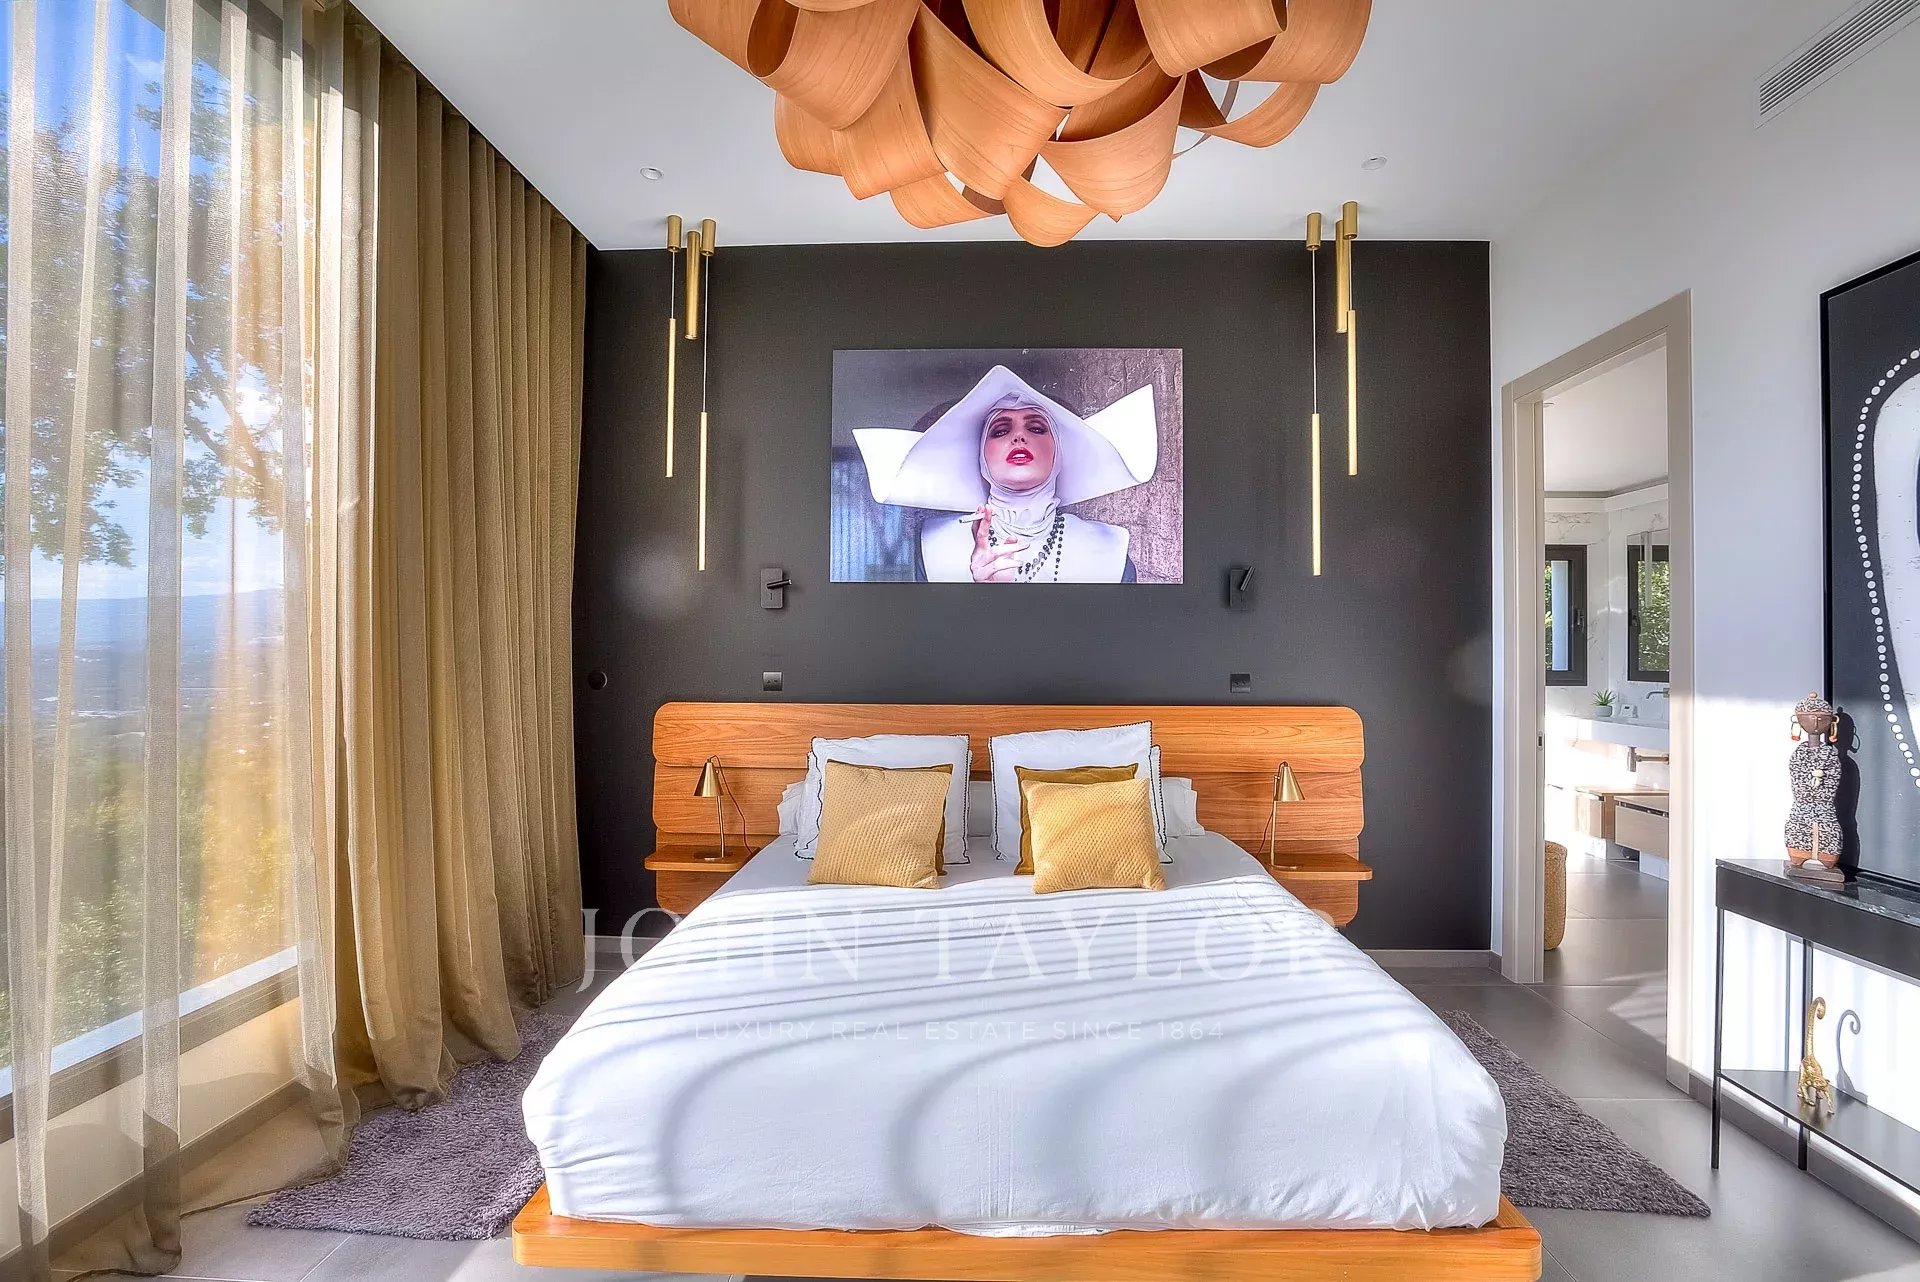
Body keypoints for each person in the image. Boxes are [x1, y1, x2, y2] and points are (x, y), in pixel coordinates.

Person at [853, 365, 1158, 583]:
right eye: (1000, 430)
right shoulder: (931, 549)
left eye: (1036, 427)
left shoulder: (1110, 555)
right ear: (981, 459)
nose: (1019, 437)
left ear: (1059, 454)